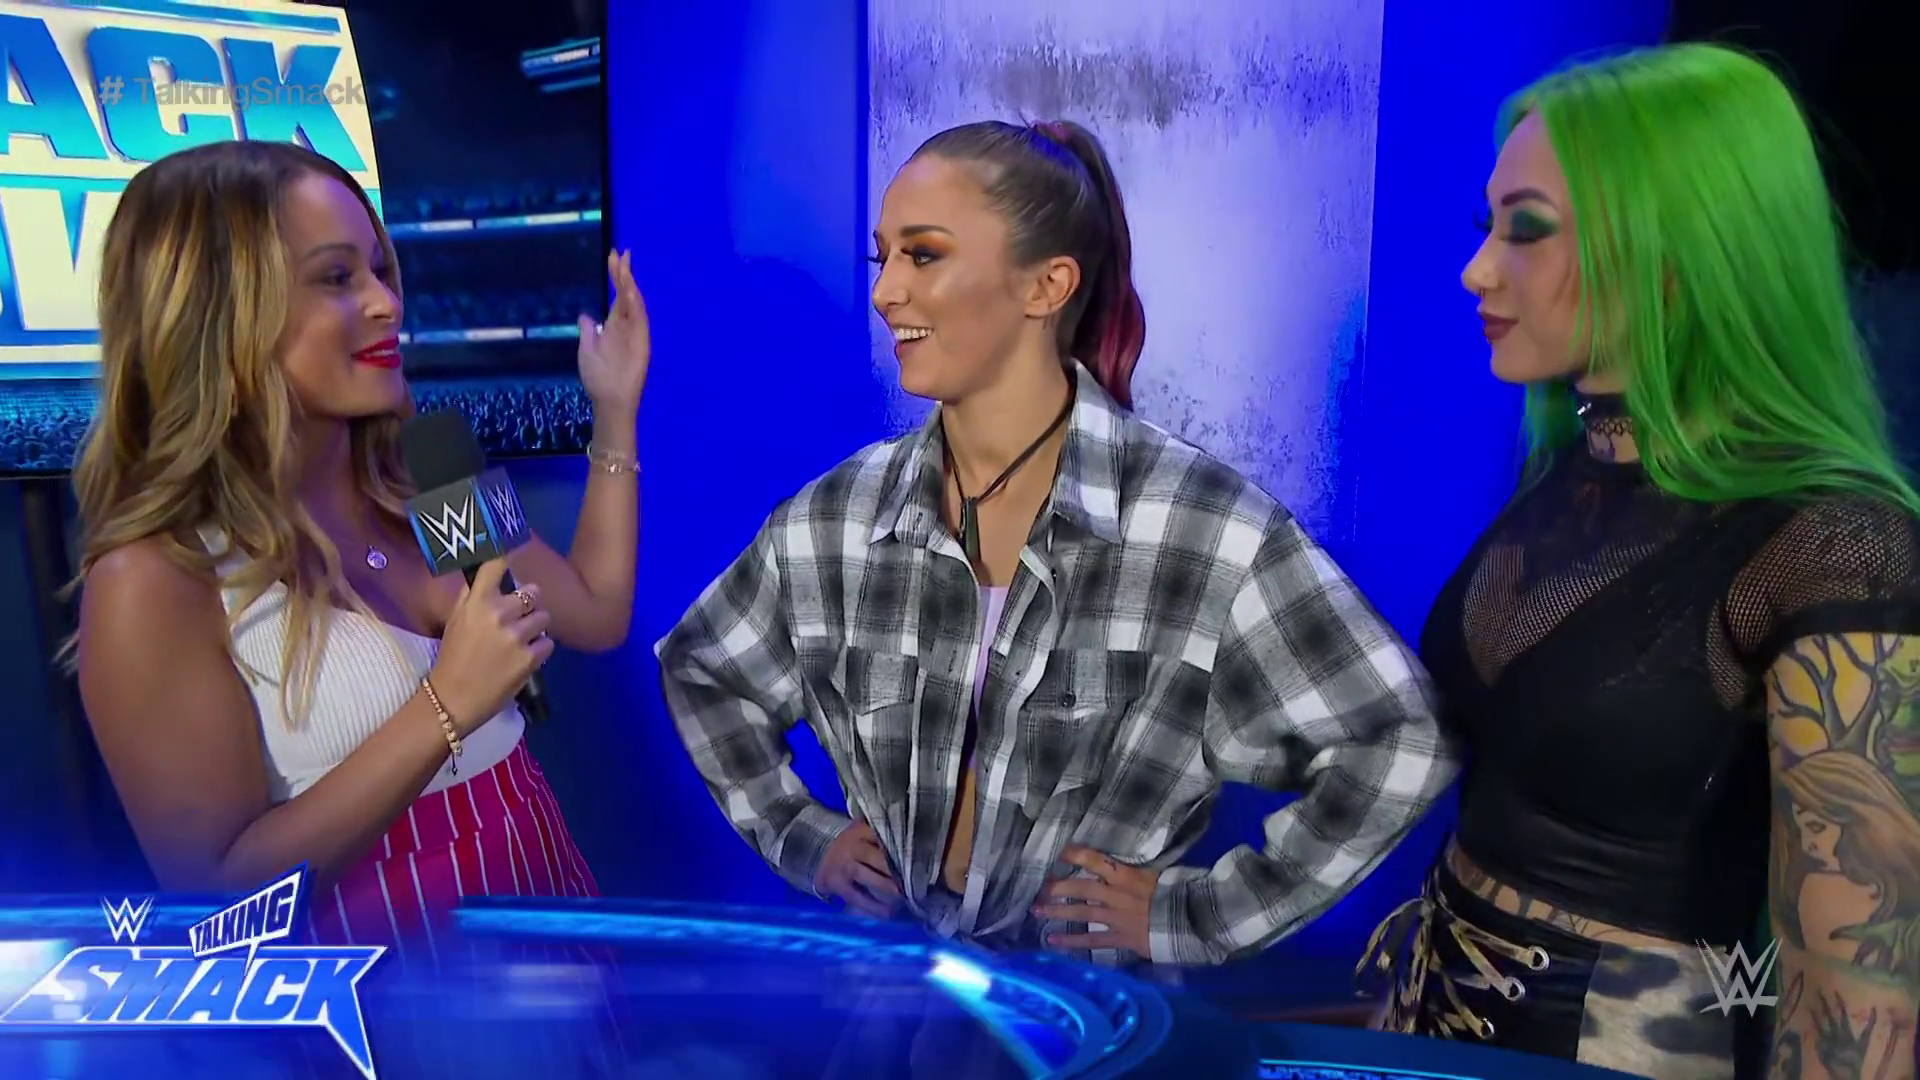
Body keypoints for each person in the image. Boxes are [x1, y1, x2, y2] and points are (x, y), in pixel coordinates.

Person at [656, 118, 1458, 982]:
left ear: (1047, 285)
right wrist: (803, 836)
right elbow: (703, 667)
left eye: (923, 255)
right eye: (880, 258)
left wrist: (1194, 915)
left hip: (1098, 1020)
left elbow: (1399, 738)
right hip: (891, 1011)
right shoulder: (834, 520)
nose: (886, 291)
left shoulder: (1201, 530)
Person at [1357, 43, 1920, 1080]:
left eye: (1528, 229)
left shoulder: (1834, 546)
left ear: (1676, 251)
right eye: (1489, 225)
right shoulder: (1568, 469)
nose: (1478, 269)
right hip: (1432, 1020)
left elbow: (1854, 999)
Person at [69, 139, 651, 960]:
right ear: (221, 311)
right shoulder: (157, 579)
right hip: (386, 986)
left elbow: (595, 611)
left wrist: (615, 410)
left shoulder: (427, 479)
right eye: (337, 278)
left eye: (379, 270)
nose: (386, 303)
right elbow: (218, 903)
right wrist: (445, 704)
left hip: (551, 929)